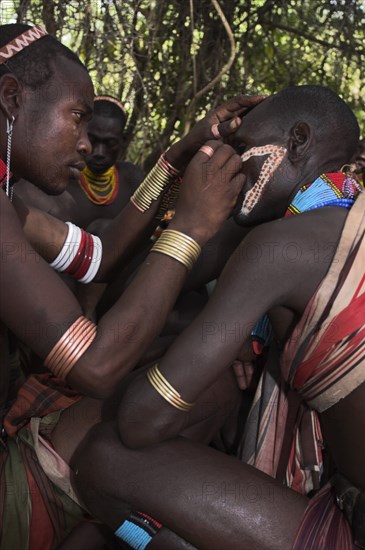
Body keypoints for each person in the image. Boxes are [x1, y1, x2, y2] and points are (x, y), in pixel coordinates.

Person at [0, 22, 264, 548]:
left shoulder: (12, 204)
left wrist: (177, 156)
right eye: (76, 117)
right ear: (11, 99)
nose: (84, 141)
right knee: (190, 391)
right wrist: (189, 228)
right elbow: (96, 366)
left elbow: (98, 258)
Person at [71, 85, 365, 550]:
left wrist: (190, 222)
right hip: (344, 491)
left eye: (243, 149)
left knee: (100, 461)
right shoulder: (346, 217)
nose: (230, 161)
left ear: (297, 141)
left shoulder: (281, 246)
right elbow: (118, 291)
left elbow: (140, 421)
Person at [14, 94, 144, 228]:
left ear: (123, 140)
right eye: (92, 140)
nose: (99, 152)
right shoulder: (57, 180)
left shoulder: (132, 179)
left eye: (110, 143)